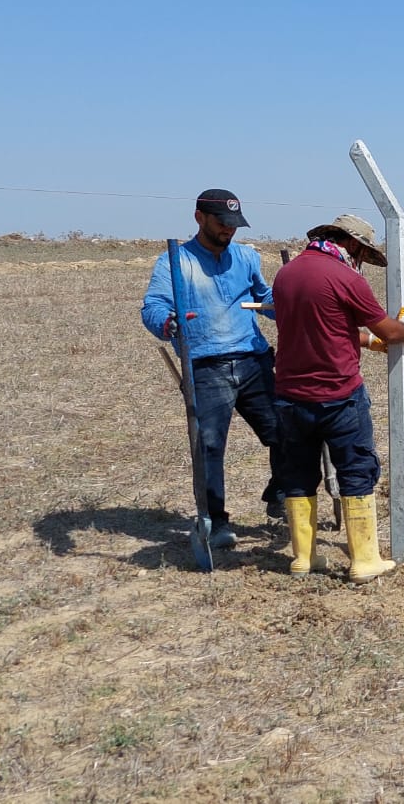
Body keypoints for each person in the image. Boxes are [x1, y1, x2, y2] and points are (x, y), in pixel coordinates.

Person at [272, 214, 404, 583]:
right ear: (352, 244)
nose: (361, 262)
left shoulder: (286, 275)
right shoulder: (346, 278)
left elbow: (324, 327)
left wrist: (366, 341)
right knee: (356, 471)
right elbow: (389, 330)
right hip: (339, 396)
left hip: (289, 397)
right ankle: (364, 560)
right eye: (362, 254)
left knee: (298, 474)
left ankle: (303, 559)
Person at [141, 189, 284, 549]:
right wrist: (167, 322)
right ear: (199, 217)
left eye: (234, 224)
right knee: (208, 446)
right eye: (221, 223)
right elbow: (154, 305)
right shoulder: (175, 262)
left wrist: (288, 303)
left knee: (285, 431)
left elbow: (265, 298)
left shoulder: (246, 257)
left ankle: (280, 492)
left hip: (253, 361)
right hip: (206, 366)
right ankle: (216, 521)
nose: (228, 230)